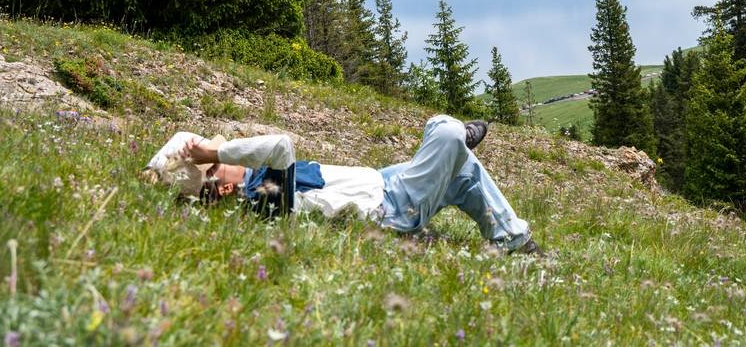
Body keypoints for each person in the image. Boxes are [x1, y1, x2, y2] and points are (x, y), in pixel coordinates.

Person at [143, 114, 542, 255]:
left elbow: (185, 138)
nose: (217, 156)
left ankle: (516, 242)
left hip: (383, 180)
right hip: (393, 207)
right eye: (214, 169)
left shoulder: (259, 184)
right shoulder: (264, 201)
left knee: (465, 175)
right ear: (223, 188)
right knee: (447, 135)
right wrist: (216, 153)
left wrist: (159, 168)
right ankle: (456, 144)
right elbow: (281, 145)